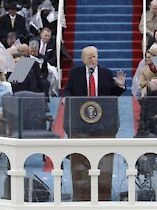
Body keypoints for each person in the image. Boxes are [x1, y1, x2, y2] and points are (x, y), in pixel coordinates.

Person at [63, 46, 126, 201]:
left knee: (103, 163)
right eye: (90, 57)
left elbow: (112, 96)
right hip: (80, 125)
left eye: (95, 57)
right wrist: (66, 99)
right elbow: (68, 90)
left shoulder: (106, 73)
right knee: (81, 161)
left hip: (103, 126)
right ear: (83, 59)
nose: (93, 60)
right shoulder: (75, 73)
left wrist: (120, 86)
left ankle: (103, 195)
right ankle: (80, 195)